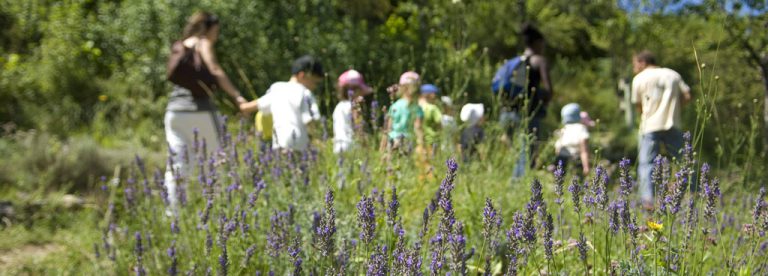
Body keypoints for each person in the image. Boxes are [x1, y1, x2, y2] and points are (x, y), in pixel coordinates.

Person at [164, 11, 247, 210]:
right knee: (215, 163)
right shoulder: (203, 43)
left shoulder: (182, 44)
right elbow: (216, 70)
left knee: (177, 166)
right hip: (201, 112)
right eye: (216, 32)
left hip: (174, 112)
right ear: (207, 29)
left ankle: (172, 215)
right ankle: (217, 210)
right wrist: (238, 97)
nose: (216, 36)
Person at [631, 50, 692, 209]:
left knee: (646, 163)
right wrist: (675, 108)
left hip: (649, 125)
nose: (634, 68)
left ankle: (648, 200)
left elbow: (638, 105)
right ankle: (690, 195)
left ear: (642, 62)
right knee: (683, 161)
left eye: (635, 64)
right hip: (673, 122)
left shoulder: (639, 78)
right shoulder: (672, 74)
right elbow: (687, 96)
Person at [493, 23, 554, 178]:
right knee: (527, 155)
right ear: (537, 43)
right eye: (543, 43)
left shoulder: (514, 62)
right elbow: (549, 90)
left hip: (506, 113)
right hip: (526, 115)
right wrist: (542, 100)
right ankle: (520, 189)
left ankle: (511, 184)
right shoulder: (539, 60)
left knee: (516, 153)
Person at [239, 55, 323, 151]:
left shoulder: (277, 88)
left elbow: (255, 105)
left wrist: (242, 105)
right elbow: (309, 120)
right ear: (302, 75)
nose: (315, 87)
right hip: (299, 144)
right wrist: (317, 139)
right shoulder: (305, 93)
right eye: (315, 82)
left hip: (279, 142)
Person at [379, 71, 424, 154]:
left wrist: (382, 148)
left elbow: (387, 129)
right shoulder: (417, 108)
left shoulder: (395, 106)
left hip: (392, 140)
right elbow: (418, 128)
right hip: (408, 142)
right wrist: (421, 146)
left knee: (390, 165)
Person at [332, 69, 372, 154]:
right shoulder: (354, 107)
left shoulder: (339, 106)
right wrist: (366, 146)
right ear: (355, 90)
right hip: (352, 146)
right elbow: (358, 127)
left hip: (339, 146)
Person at [554, 103, 591, 176]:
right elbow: (584, 150)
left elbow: (557, 149)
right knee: (577, 182)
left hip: (561, 160)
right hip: (575, 160)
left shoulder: (563, 129)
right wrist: (586, 167)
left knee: (560, 183)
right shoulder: (581, 128)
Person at [418, 84, 443, 153]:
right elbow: (440, 124)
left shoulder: (415, 108)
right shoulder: (433, 108)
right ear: (431, 95)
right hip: (432, 140)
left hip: (417, 141)